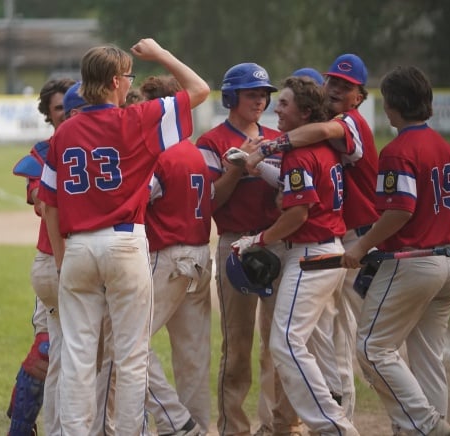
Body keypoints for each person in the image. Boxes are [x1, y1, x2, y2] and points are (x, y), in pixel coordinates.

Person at [38, 39, 209, 435]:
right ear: (116, 82)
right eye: (128, 76)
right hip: (124, 242)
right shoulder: (139, 119)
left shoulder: (63, 134)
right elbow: (199, 89)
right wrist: (162, 54)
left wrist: (63, 259)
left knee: (79, 357)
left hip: (78, 247)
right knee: (131, 357)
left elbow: (50, 205)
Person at [233, 55, 379, 419]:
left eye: (345, 86)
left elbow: (299, 202)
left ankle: (339, 421)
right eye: (332, 82)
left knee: (348, 341)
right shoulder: (318, 143)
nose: (334, 89)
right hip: (335, 239)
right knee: (321, 338)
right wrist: (254, 163)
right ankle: (335, 417)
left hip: (351, 240)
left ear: (360, 96)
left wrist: (267, 149)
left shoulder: (346, 126)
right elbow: (295, 183)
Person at [341, 65, 450, 436]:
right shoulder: (444, 145)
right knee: (428, 357)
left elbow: (401, 208)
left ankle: (428, 425)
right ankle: (424, 427)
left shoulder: (398, 151)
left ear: (391, 107)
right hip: (449, 264)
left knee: (371, 347)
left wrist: (363, 245)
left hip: (413, 263)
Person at [196, 62, 300, 436]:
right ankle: (234, 428)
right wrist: (239, 165)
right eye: (251, 93)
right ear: (230, 98)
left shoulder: (278, 137)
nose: (260, 100)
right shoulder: (210, 142)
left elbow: (290, 196)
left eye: (263, 94)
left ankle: (277, 426)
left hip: (277, 242)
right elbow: (211, 202)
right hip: (235, 244)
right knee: (237, 345)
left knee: (280, 343)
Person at [141, 74, 212, 435]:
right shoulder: (193, 149)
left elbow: (136, 203)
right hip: (200, 254)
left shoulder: (159, 153)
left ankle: (177, 423)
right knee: (193, 355)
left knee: (129, 342)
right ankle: (198, 424)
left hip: (169, 256)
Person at [9, 77, 75, 436]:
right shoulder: (42, 153)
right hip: (54, 257)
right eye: (59, 107)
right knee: (47, 347)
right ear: (49, 115)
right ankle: (20, 426)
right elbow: (39, 199)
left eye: (71, 105)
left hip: (92, 260)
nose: (66, 113)